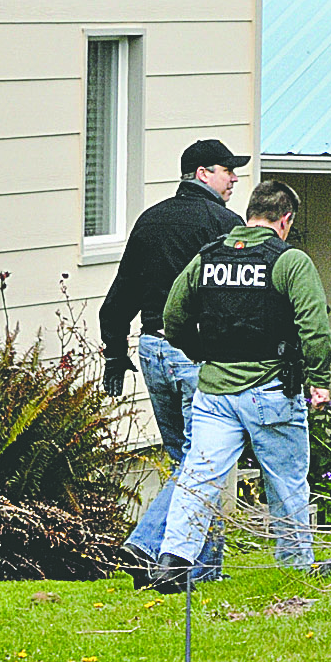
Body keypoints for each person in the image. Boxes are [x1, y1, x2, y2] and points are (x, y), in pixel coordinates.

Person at [151, 179, 331, 592]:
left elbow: (173, 316)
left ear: (250, 213)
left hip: (213, 392)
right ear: (285, 220)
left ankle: (173, 562)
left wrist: (203, 353)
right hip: (271, 390)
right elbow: (314, 327)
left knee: (199, 475)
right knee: (286, 480)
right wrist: (320, 380)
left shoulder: (207, 257)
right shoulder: (289, 261)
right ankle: (296, 566)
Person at [99, 138, 247, 586]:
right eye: (227, 170)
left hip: (152, 350)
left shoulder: (150, 220)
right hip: (197, 355)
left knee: (191, 459)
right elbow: (236, 296)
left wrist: (114, 352)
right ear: (202, 173)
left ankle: (201, 572)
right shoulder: (223, 223)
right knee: (202, 462)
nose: (234, 178)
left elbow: (119, 295)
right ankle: (146, 543)